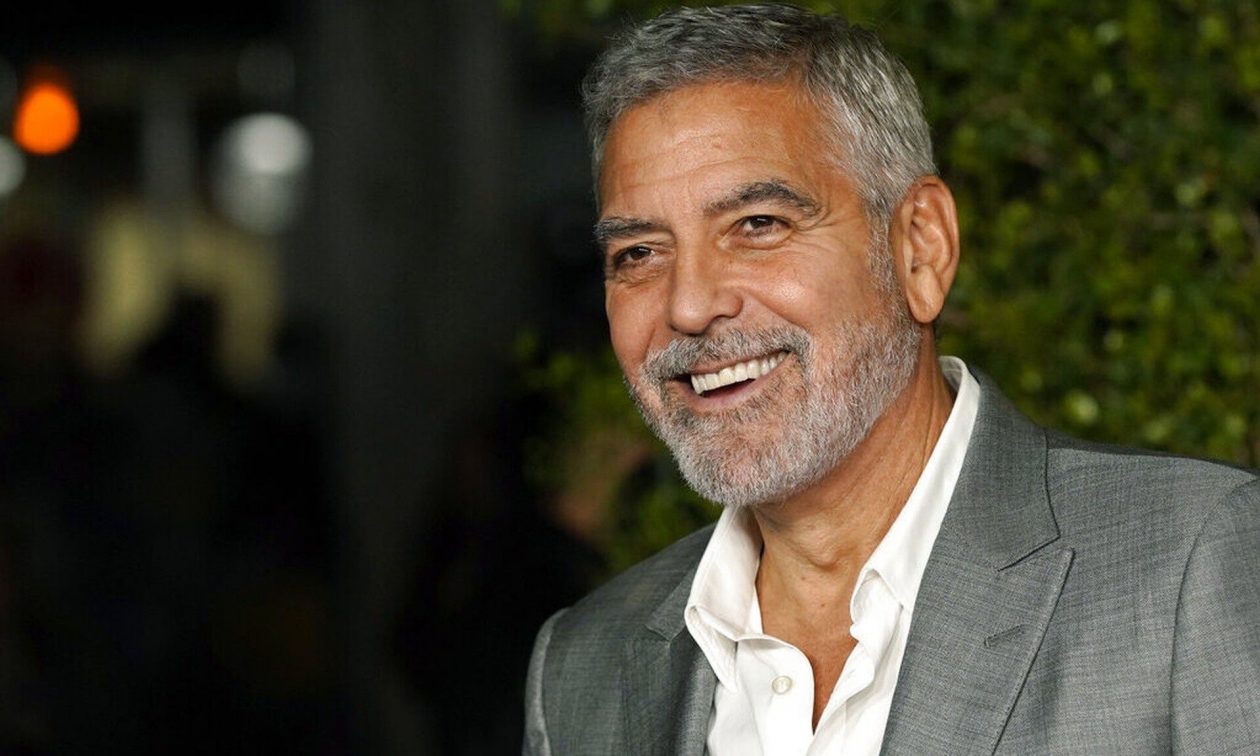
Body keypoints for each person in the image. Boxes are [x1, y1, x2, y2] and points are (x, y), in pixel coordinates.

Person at [522, 4, 1260, 754]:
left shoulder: (1191, 565)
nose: (688, 306)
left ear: (919, 249)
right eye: (639, 254)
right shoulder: (581, 669)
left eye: (758, 225)